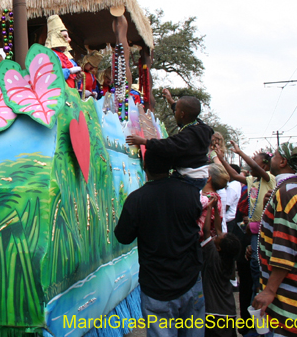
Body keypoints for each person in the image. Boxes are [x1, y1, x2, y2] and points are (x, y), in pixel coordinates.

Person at [115, 164, 204, 337]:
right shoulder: (189, 192)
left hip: (157, 286)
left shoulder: (137, 198)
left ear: (145, 168)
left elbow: (123, 236)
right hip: (190, 279)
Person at [251, 143, 297, 337]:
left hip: (291, 303)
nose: (271, 159)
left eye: (274, 156)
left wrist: (270, 290)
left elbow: (286, 248)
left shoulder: (286, 193)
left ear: (283, 162)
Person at [213, 143, 275, 299]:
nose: (250, 163)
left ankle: (261, 291)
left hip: (265, 228)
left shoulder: (269, 179)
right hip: (253, 229)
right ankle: (255, 292)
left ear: (264, 166)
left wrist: (239, 152)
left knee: (259, 262)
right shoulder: (252, 180)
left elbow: (253, 165)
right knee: (254, 263)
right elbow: (234, 175)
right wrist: (221, 159)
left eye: (255, 160)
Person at [126, 95, 214, 190]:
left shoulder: (188, 136)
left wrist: (145, 141)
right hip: (199, 175)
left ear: (182, 114)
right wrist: (171, 102)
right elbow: (185, 113)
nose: (175, 112)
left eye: (176, 110)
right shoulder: (199, 127)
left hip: (189, 177)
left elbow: (169, 145)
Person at [201, 197, 241, 337]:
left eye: (218, 237)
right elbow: (218, 230)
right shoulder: (228, 260)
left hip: (213, 313)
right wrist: (216, 211)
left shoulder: (212, 257)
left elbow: (206, 231)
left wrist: (209, 208)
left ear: (218, 248)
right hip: (229, 311)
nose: (217, 235)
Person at [44, 15, 81, 89]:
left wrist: (78, 80)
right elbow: (51, 76)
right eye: (65, 36)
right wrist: (69, 71)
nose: (69, 39)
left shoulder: (67, 57)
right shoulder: (49, 55)